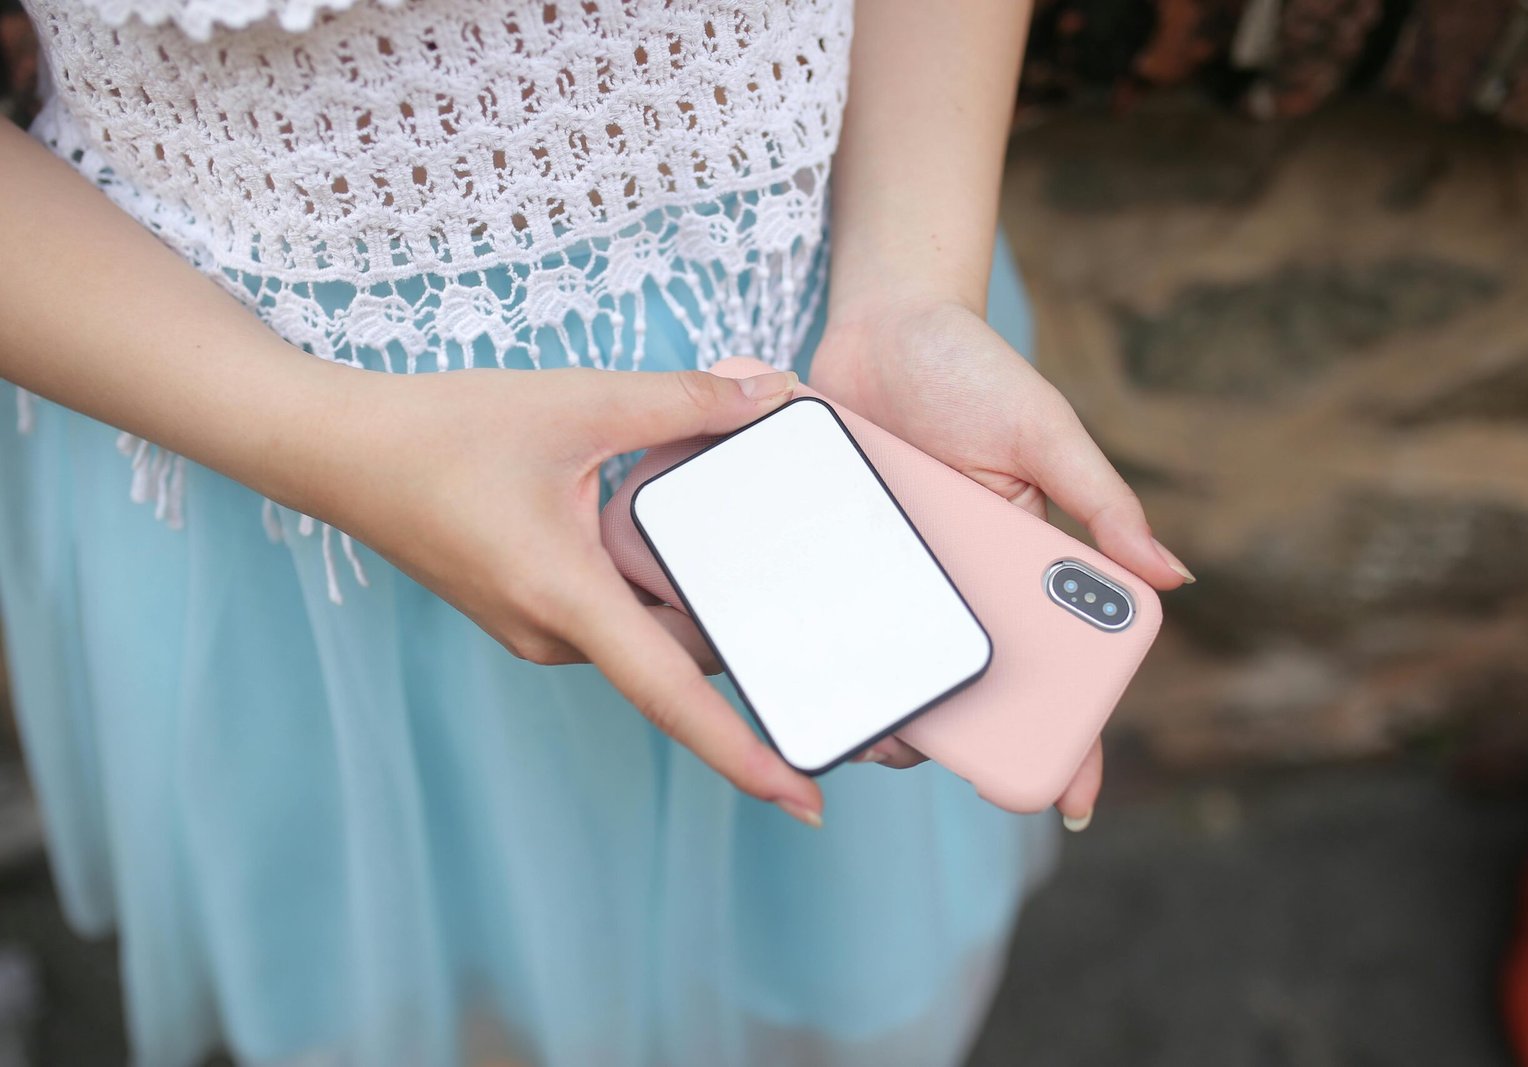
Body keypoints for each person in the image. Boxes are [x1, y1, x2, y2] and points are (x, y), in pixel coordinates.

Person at [0, 0, 1194, 1063]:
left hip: (843, 347)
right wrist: (328, 442)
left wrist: (913, 287)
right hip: (277, 462)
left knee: (828, 933)